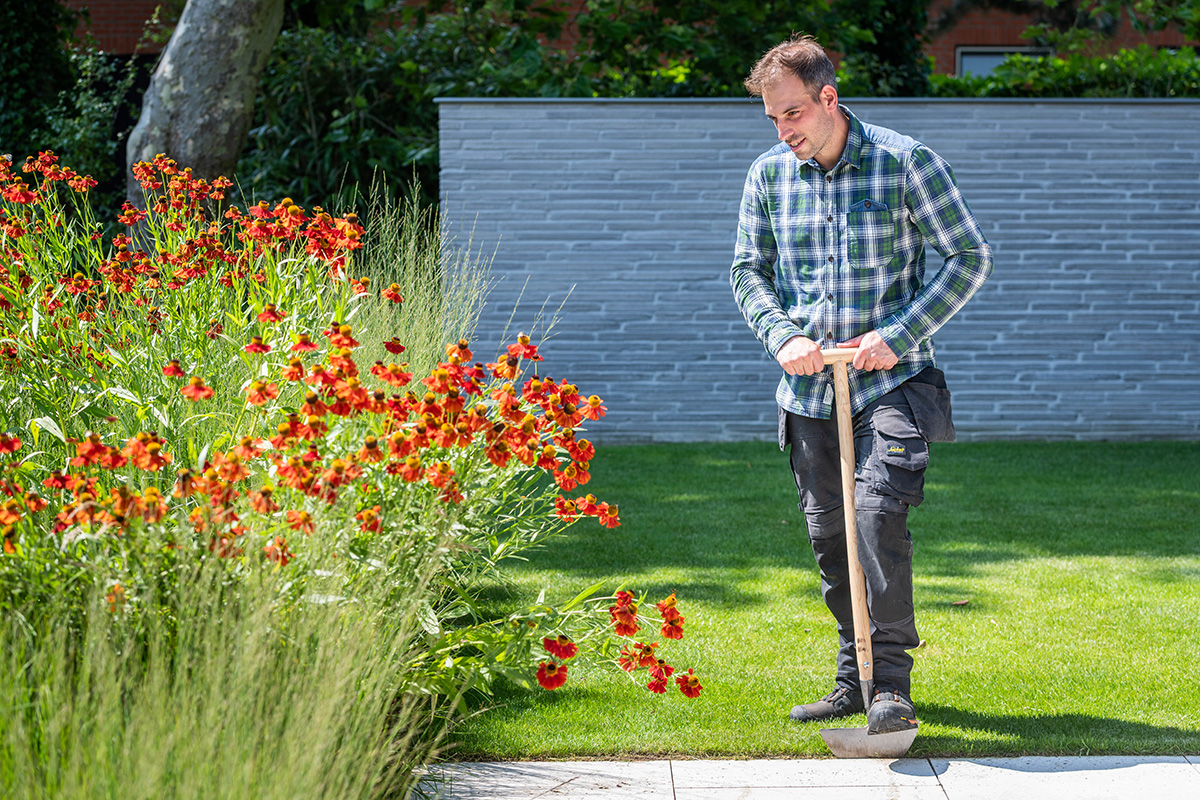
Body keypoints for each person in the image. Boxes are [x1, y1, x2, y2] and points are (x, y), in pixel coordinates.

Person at [730, 34, 992, 735]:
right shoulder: (768, 176)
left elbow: (967, 257)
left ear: (828, 97)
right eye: (772, 119)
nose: (783, 130)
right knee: (828, 537)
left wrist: (896, 334)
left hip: (894, 380)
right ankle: (854, 680)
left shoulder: (907, 163)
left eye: (792, 113)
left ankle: (893, 689)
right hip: (809, 391)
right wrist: (782, 335)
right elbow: (747, 272)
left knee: (876, 519)